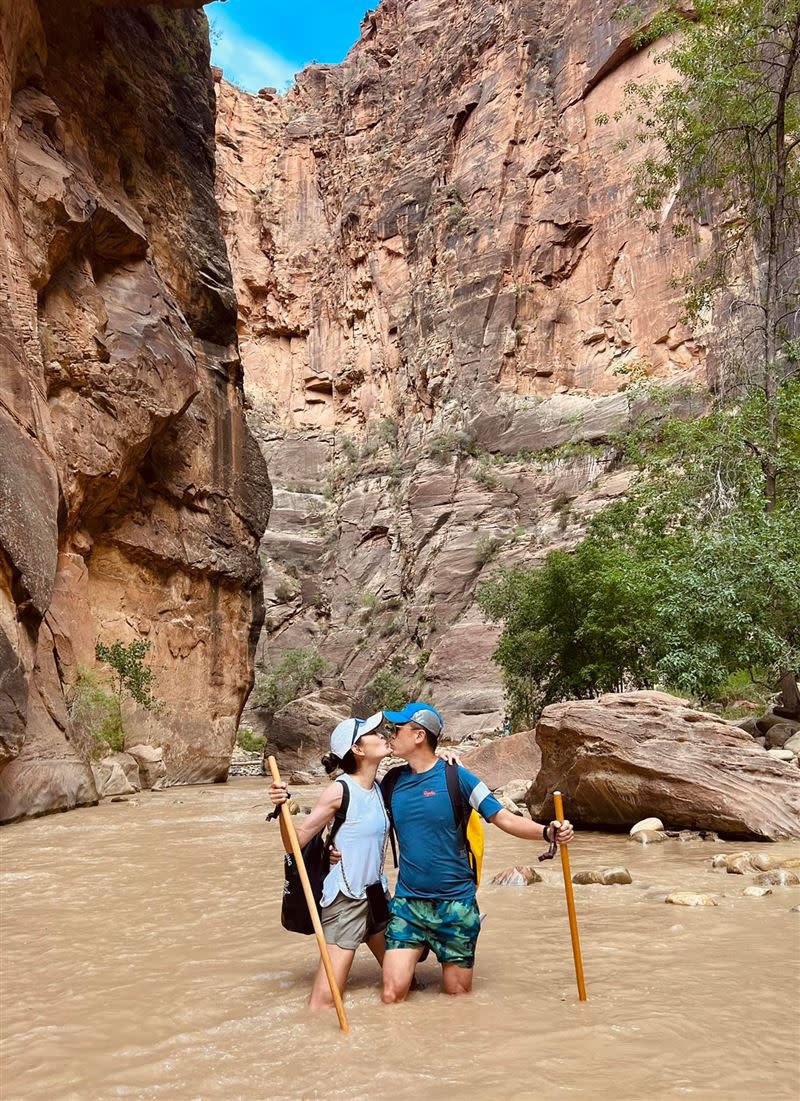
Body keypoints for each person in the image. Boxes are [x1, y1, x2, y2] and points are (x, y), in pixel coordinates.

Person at [378, 701, 574, 1004]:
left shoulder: (459, 777)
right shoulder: (391, 782)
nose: (392, 734)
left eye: (397, 728)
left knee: (457, 998)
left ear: (418, 736)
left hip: (456, 904)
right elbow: (364, 813)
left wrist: (547, 832)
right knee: (391, 996)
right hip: (409, 904)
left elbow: (502, 817)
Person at [268, 712, 392, 1009]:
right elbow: (295, 843)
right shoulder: (340, 790)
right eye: (374, 733)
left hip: (377, 894)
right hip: (345, 901)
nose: (382, 734)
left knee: (401, 982)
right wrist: (281, 808)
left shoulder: (379, 787)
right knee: (323, 1001)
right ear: (358, 750)